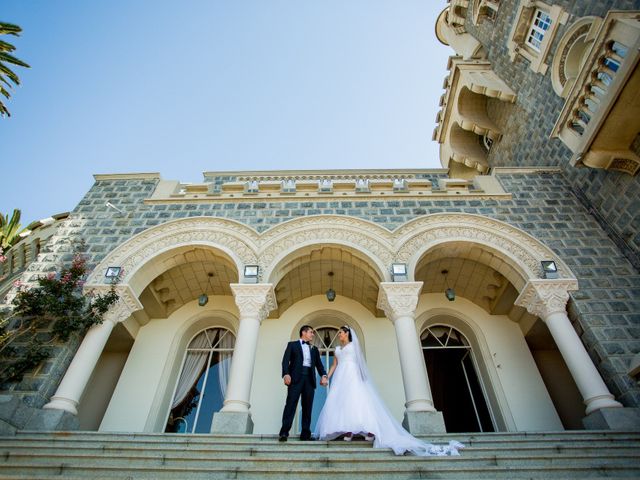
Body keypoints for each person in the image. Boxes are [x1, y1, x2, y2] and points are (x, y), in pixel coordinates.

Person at [313, 325, 464, 456]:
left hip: (353, 375)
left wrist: (361, 378)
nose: (339, 335)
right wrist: (327, 376)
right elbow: (334, 364)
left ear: (347, 334)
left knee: (356, 401)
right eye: (339, 333)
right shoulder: (338, 349)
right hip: (340, 377)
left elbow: (360, 363)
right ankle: (347, 429)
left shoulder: (354, 346)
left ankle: (364, 430)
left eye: (341, 333)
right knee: (342, 402)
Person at [279, 325, 328, 441]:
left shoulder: (314, 349)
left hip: (309, 380)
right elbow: (285, 361)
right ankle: (284, 433)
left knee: (307, 407)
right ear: (304, 333)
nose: (312, 335)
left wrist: (324, 375)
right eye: (311, 332)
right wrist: (286, 374)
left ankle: (305, 434)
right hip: (295, 378)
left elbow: (319, 365)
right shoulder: (292, 345)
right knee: (290, 405)